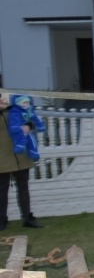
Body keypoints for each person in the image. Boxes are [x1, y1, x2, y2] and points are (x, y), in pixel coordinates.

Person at [1, 95, 44, 230]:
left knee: (23, 188)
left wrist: (29, 125)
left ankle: (27, 218)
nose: (2, 101)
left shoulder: (15, 110)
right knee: (2, 191)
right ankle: (2, 220)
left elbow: (30, 118)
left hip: (21, 156)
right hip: (2, 157)